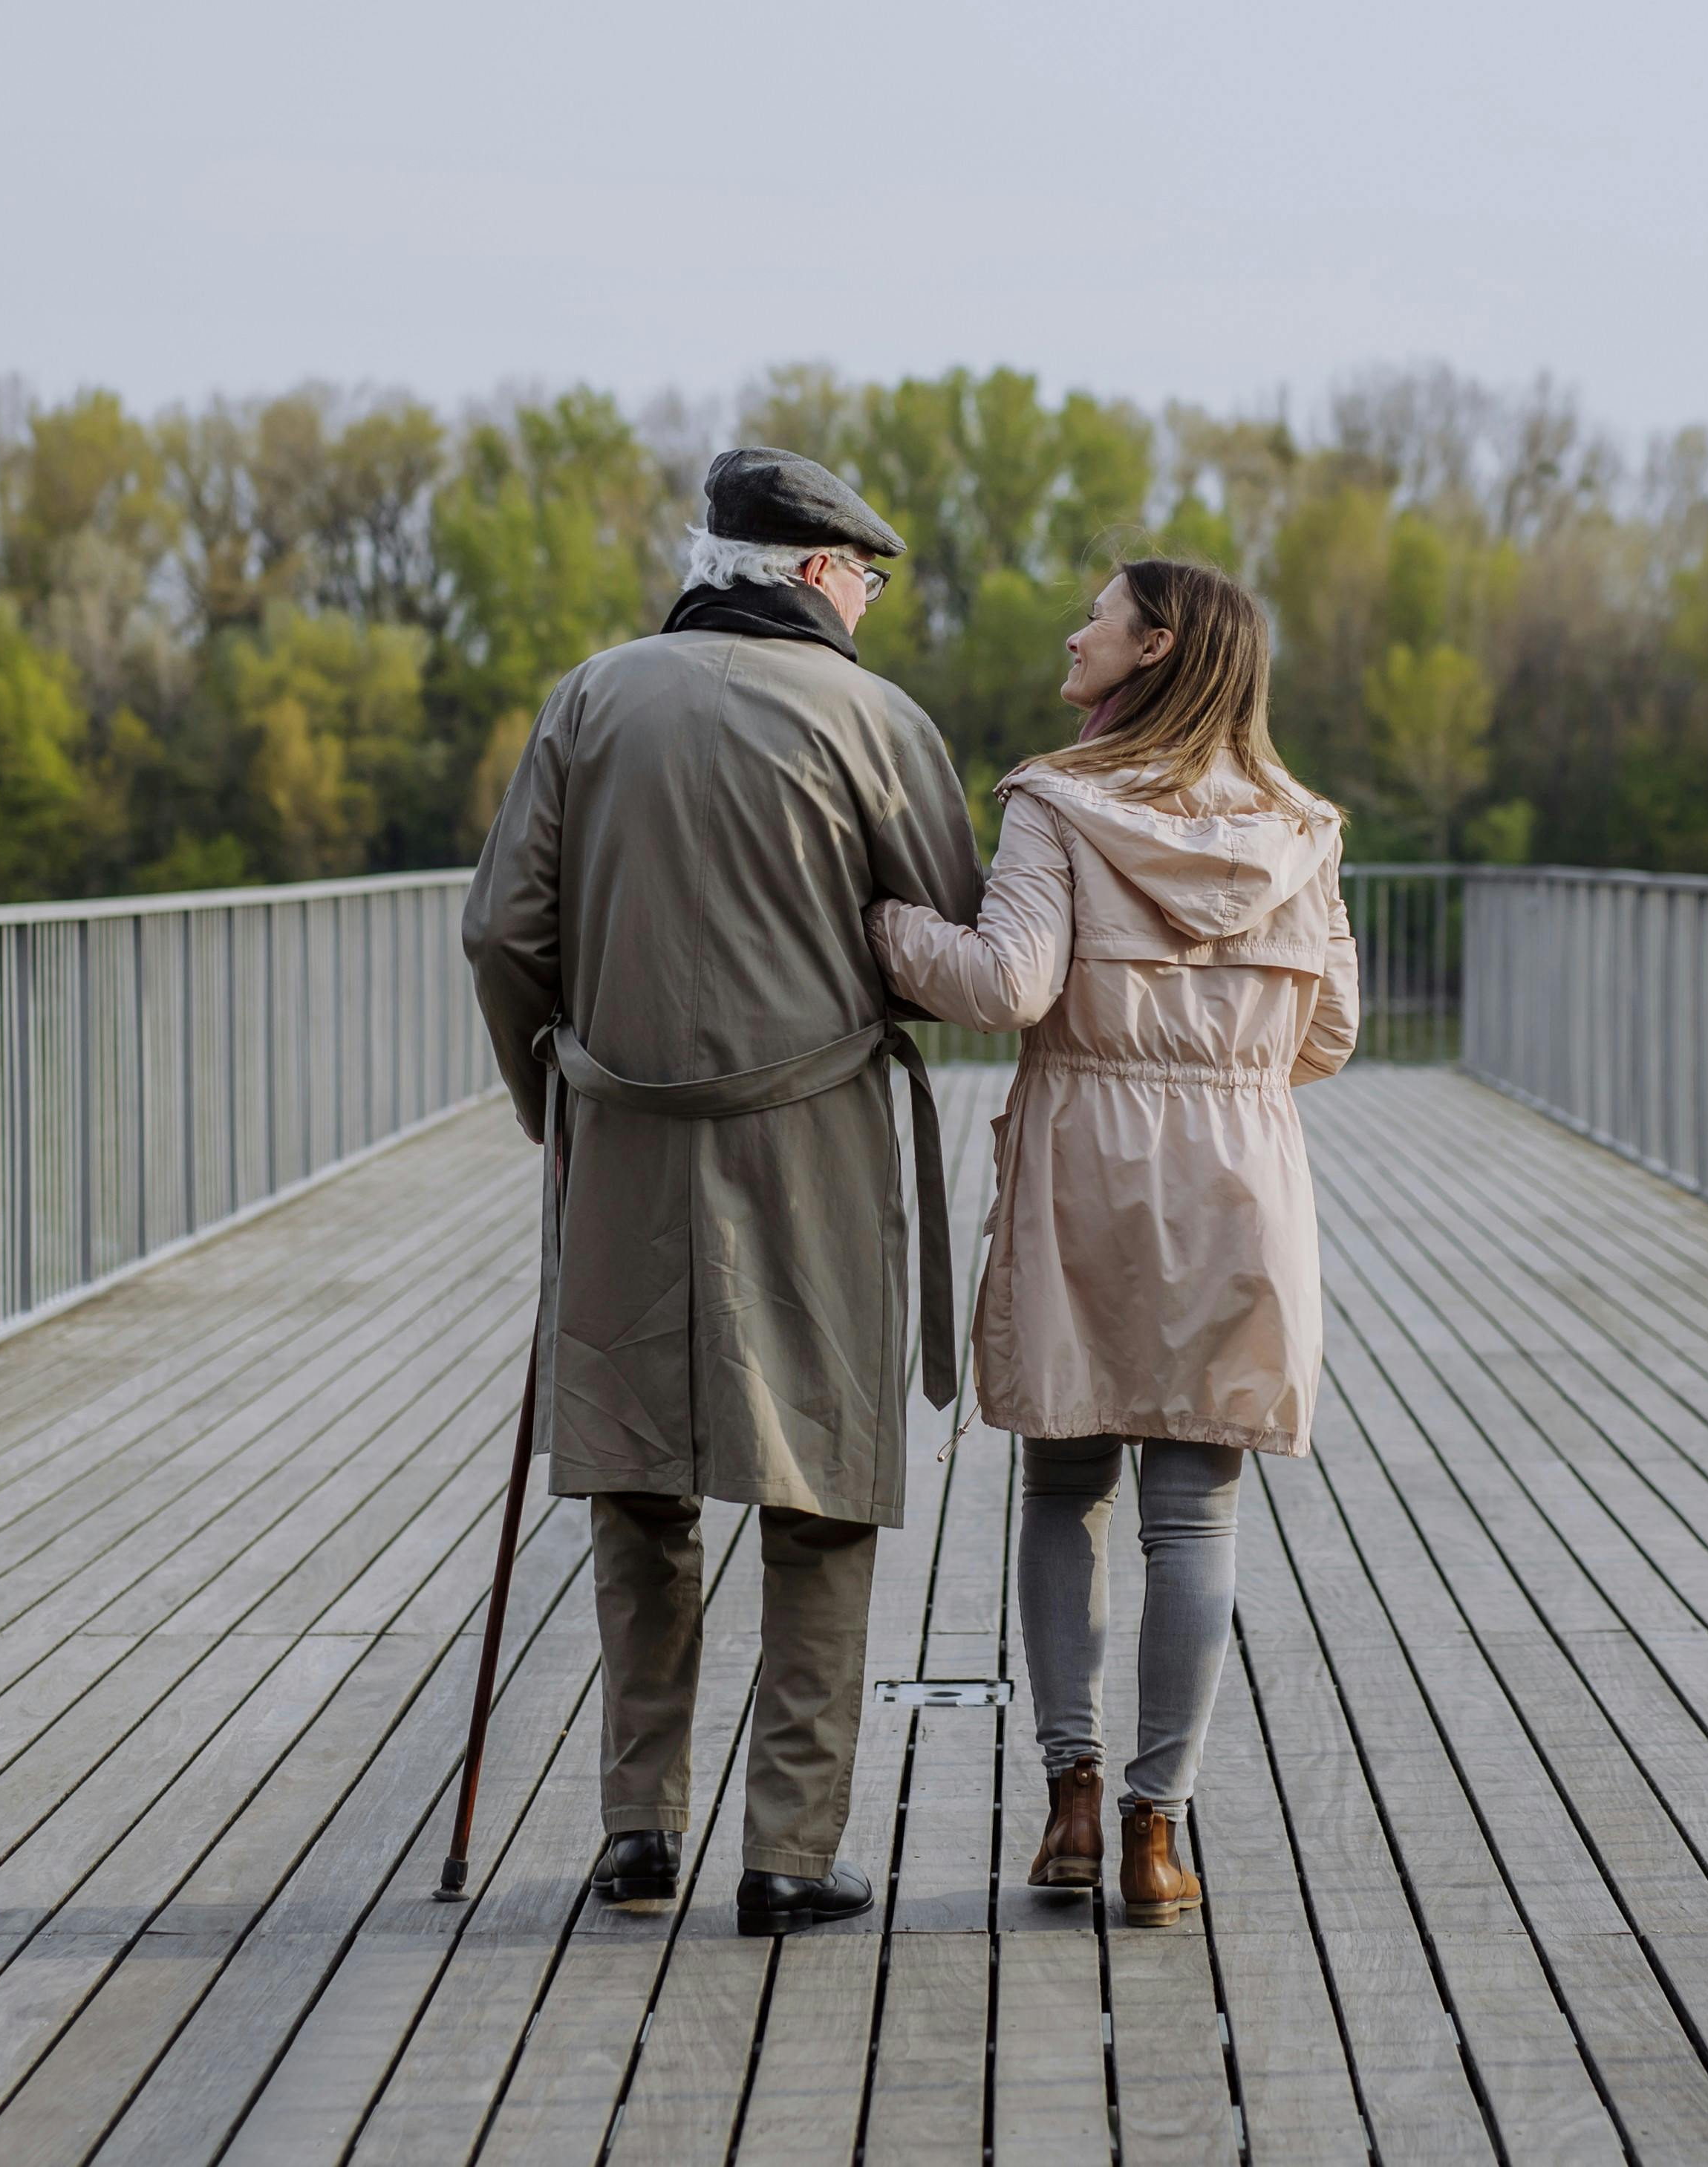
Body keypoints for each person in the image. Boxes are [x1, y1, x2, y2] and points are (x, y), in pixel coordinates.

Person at [462, 446, 982, 1938]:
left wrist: (549, 1100)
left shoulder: (589, 696)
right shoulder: (877, 720)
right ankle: (787, 1850)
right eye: (866, 580)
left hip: (620, 1132)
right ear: (818, 573)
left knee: (636, 1476)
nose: (870, 605)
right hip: (807, 1139)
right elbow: (942, 946)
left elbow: (501, 932)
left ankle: (637, 1828)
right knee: (818, 1486)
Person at [866, 558, 1357, 1922]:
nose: (1072, 632)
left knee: (1061, 1490)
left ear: (1151, 646)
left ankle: (1070, 1797)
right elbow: (1330, 1033)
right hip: (1239, 1182)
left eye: (1097, 613)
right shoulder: (1303, 830)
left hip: (1084, 1166)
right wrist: (1222, 1074)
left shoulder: (1055, 802)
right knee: (1193, 1514)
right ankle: (1156, 1830)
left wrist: (879, 920)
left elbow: (1004, 980)